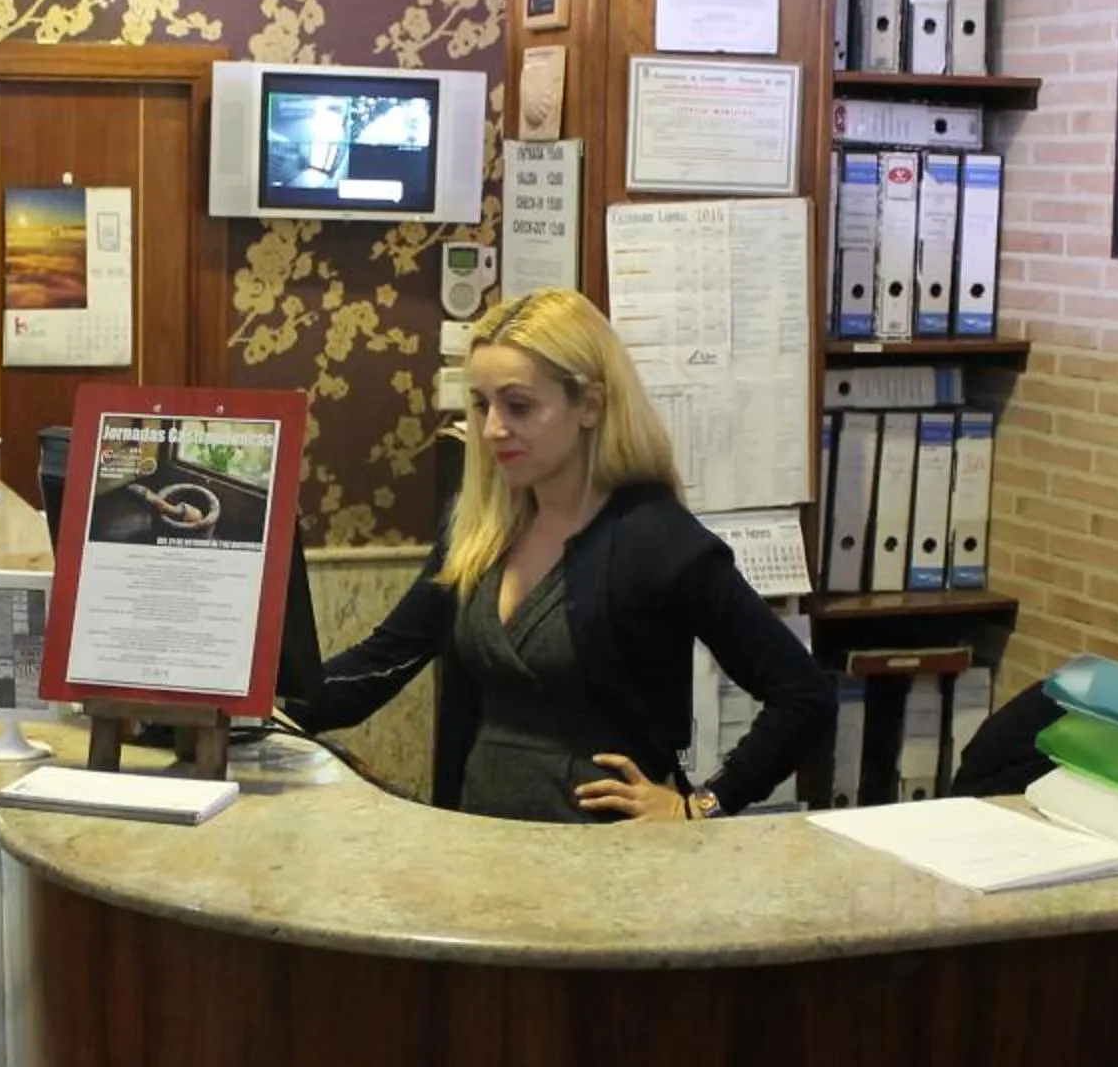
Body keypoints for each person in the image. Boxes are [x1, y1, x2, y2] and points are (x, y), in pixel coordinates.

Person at [290, 289, 835, 823]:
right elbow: (382, 664)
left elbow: (803, 696)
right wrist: (261, 708)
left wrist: (702, 806)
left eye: (518, 406)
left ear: (590, 406)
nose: (492, 429)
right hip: (482, 851)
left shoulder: (657, 540)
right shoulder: (479, 530)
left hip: (608, 870)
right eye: (481, 405)